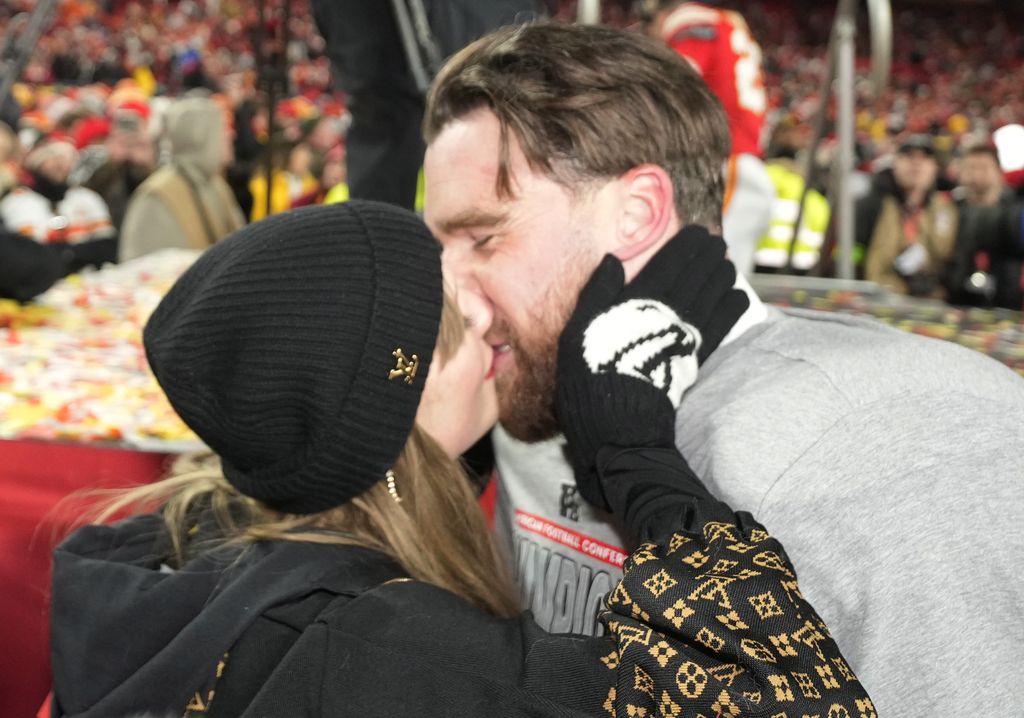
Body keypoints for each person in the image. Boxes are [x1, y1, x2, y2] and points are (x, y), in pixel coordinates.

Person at [48, 202, 871, 717]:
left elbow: (385, 462)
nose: (488, 324)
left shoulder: (169, 549)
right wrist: (633, 454)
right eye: (449, 329)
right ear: (397, 411)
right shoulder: (386, 657)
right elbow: (790, 699)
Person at [423, 22, 1024, 715]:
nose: (448, 289)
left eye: (484, 236)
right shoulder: (529, 385)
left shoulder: (884, 450)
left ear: (638, 212)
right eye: (440, 244)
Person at [640, 0, 775, 276]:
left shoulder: (693, 22)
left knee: (714, 280)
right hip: (738, 163)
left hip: (726, 162)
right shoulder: (724, 22)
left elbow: (676, 80)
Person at [119, 95, 244, 262]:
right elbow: (142, 270)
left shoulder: (216, 186)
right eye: (222, 129)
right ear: (201, 137)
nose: (231, 135)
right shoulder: (157, 196)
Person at [854, 134, 959, 297]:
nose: (916, 163)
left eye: (925, 158)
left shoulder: (945, 210)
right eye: (909, 156)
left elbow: (951, 260)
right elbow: (852, 256)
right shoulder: (871, 205)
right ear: (895, 163)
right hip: (876, 300)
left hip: (930, 304)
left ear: (934, 168)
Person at [944, 143, 1024, 309]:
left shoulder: (1016, 212)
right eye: (971, 168)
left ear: (999, 172)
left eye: (984, 167)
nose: (976, 175)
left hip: (1007, 305)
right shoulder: (948, 210)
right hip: (955, 304)